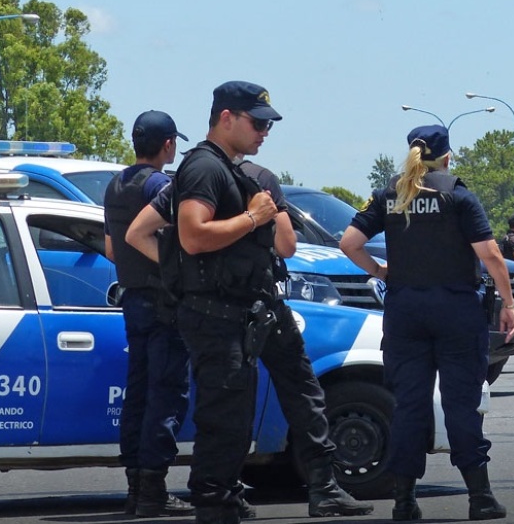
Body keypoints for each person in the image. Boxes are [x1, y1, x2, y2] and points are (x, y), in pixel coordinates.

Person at [127, 80, 370, 524]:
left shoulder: (239, 172)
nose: (265, 132)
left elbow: (281, 247)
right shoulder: (204, 169)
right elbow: (193, 235)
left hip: (258, 306)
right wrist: (251, 219)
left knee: (301, 390)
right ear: (227, 119)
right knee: (227, 418)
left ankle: (323, 486)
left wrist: (186, 262)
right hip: (219, 313)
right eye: (257, 123)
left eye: (267, 125)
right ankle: (217, 504)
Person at [339, 124, 514, 521]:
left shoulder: (390, 195)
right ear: (447, 156)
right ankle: (480, 498)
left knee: (408, 406)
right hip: (455, 311)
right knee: (461, 405)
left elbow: (348, 243)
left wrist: (380, 271)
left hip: (405, 313)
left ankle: (404, 502)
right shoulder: (457, 195)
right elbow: (489, 254)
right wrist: (508, 302)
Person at [103, 110, 194, 518]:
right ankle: (154, 491)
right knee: (167, 393)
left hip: (132, 300)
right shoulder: (161, 185)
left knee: (137, 393)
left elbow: (112, 248)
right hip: (163, 302)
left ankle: (135, 490)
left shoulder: (115, 184)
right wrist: (171, 268)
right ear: (168, 145)